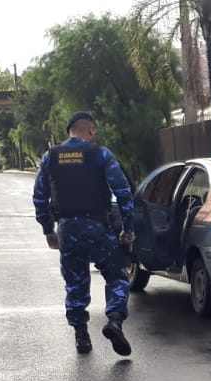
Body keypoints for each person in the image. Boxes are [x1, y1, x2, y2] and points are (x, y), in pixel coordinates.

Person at [32, 112, 136, 357]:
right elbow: (123, 192)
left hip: (68, 229)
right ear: (91, 130)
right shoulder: (101, 154)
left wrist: (48, 229)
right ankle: (115, 321)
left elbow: (39, 197)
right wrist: (128, 229)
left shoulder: (51, 157)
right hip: (99, 227)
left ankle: (81, 335)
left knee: (75, 281)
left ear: (69, 131)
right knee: (116, 276)